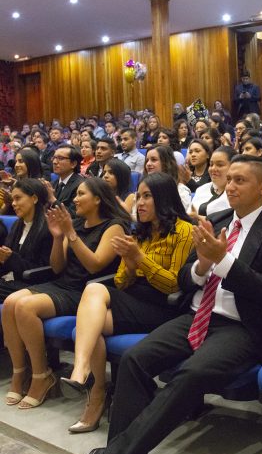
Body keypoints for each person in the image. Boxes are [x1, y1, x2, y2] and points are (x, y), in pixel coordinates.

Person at [86, 155, 262, 454]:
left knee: (189, 374)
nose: (230, 186)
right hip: (197, 314)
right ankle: (122, 451)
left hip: (242, 326)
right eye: (229, 179)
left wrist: (224, 261)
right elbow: (183, 278)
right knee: (134, 359)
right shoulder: (217, 221)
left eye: (240, 180)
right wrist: (201, 266)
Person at [60, 172, 194, 433]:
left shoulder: (184, 231)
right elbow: (121, 282)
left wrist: (140, 259)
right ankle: (95, 389)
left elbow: (176, 285)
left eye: (147, 197)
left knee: (94, 296)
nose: (139, 203)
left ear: (164, 199)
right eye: (138, 197)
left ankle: (88, 382)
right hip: (136, 299)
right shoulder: (139, 233)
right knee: (89, 321)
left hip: (165, 307)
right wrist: (131, 264)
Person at [1, 178, 130, 409]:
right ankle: (20, 372)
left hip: (89, 293)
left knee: (24, 306)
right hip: (64, 284)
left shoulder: (114, 226)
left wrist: (70, 234)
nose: (75, 199)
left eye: (81, 194)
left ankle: (42, 375)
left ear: (98, 199)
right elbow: (57, 267)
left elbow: (94, 265)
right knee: (11, 302)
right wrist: (58, 237)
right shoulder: (77, 224)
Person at [0, 179, 53, 301]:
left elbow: (44, 271)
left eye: (18, 198)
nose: (13, 203)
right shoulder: (17, 225)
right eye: (13, 199)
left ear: (34, 198)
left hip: (32, 285)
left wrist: (11, 258)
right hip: (11, 280)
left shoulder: (48, 229)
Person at [189, 146, 236, 217]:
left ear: (233, 167)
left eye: (220, 165)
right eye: (211, 164)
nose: (213, 168)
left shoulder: (237, 194)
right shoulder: (201, 189)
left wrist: (199, 219)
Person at [144, 146, 191, 212]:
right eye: (147, 160)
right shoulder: (143, 188)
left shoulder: (181, 190)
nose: (148, 164)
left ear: (166, 163)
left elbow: (182, 215)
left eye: (154, 160)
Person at [47, 145, 84, 217]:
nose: (54, 162)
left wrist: (53, 200)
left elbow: (75, 214)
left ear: (73, 164)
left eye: (60, 158)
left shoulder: (80, 185)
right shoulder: (53, 184)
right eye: (54, 158)